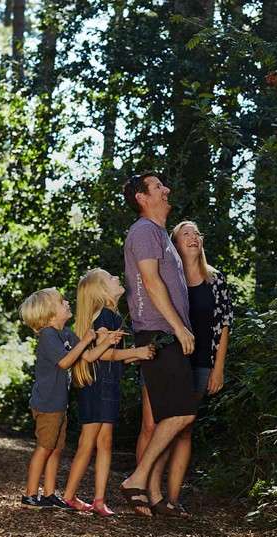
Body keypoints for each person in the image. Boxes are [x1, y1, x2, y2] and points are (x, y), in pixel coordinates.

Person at [136, 220, 233, 517]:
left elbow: (224, 325)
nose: (193, 237)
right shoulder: (168, 277)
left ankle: (172, 500)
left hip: (200, 363)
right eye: (185, 233)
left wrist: (218, 368)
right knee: (152, 425)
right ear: (175, 244)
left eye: (197, 233)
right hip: (165, 358)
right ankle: (144, 494)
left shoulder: (215, 280)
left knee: (184, 429)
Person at [116, 172, 197, 516]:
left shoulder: (159, 234)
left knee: (164, 417)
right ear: (142, 197)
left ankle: (151, 493)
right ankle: (136, 479)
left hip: (162, 332)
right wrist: (179, 328)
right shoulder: (144, 231)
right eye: (158, 187)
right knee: (182, 412)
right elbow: (150, 282)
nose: (167, 189)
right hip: (159, 333)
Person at [59, 269, 154, 516]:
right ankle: (68, 495)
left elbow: (116, 357)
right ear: (102, 291)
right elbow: (104, 354)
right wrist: (137, 352)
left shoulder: (113, 316)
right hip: (97, 386)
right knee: (88, 442)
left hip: (108, 385)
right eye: (111, 278)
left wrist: (136, 355)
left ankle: (99, 500)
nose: (117, 279)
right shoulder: (104, 316)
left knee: (105, 442)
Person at [17, 287, 123, 508]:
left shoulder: (66, 334)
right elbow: (65, 362)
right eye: (62, 301)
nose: (67, 303)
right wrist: (85, 340)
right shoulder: (48, 335)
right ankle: (30, 494)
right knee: (44, 448)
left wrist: (107, 342)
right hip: (46, 404)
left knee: (56, 449)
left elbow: (88, 356)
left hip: (58, 405)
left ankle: (49, 493)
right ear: (49, 314)